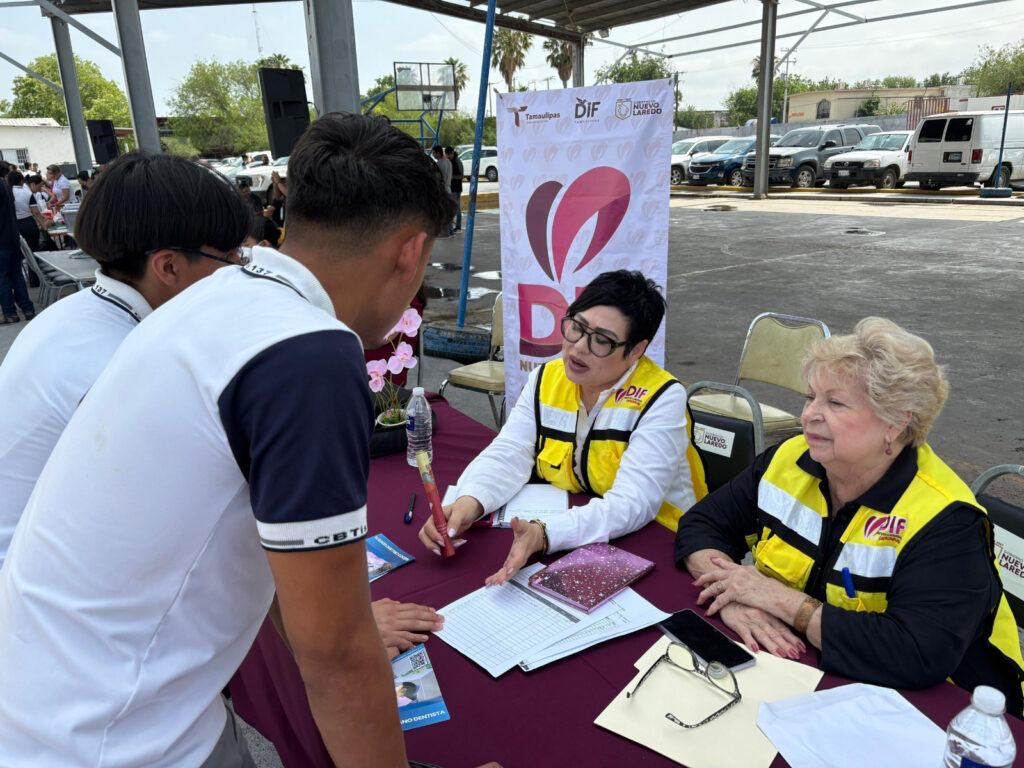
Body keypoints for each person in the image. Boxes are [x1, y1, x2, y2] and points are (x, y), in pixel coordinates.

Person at [0, 114, 464, 767]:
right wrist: (347, 632)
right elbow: (334, 657)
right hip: (113, 736)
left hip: (59, 691)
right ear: (410, 252)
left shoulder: (212, 296)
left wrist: (344, 622)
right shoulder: (307, 352)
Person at [676, 317, 1024, 714]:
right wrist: (734, 596)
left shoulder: (946, 520)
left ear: (895, 422)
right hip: (810, 670)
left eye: (835, 403)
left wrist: (782, 601)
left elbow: (917, 652)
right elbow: (701, 525)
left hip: (941, 708)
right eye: (810, 397)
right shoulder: (790, 458)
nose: (809, 415)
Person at [0, 151, 252, 568]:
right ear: (168, 266)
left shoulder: (76, 314)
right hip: (39, 593)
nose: (241, 272)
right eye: (231, 259)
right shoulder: (124, 365)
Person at [420, 270, 706, 584]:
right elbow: (509, 451)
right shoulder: (546, 378)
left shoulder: (662, 398)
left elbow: (632, 504)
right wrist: (469, 502)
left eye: (602, 340)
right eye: (576, 328)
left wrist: (545, 534)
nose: (579, 347)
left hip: (661, 542)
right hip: (589, 530)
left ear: (636, 350)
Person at [0, 163, 35, 324]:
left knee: (4, 277)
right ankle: (27, 308)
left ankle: (10, 312)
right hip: (12, 237)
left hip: (2, 240)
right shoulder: (7, 187)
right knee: (16, 275)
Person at [431, 145, 453, 237]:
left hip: (442, 189)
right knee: (448, 211)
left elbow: (437, 178)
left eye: (434, 153)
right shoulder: (448, 162)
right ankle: (450, 230)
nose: (433, 155)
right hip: (449, 188)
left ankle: (445, 231)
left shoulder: (439, 164)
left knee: (443, 211)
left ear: (438, 153)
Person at [446, 146, 463, 232]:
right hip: (452, 188)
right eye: (447, 155)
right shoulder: (450, 161)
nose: (448, 156)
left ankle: (457, 226)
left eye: (449, 154)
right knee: (455, 207)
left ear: (452, 153)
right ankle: (455, 226)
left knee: (456, 208)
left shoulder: (457, 162)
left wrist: (453, 177)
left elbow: (461, 175)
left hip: (456, 188)